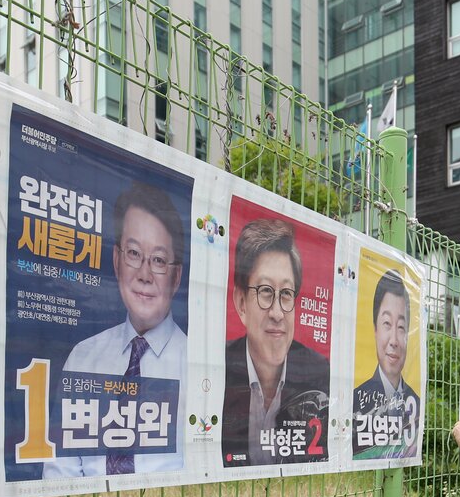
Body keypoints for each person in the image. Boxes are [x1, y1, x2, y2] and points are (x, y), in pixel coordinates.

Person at [46, 182, 188, 478]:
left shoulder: (197, 365)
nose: (145, 275)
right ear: (116, 261)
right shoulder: (83, 357)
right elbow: (60, 468)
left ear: (176, 276)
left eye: (159, 260)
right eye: (134, 254)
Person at [222, 218, 329, 466]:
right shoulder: (217, 369)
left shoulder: (319, 374)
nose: (277, 313)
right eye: (266, 292)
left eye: (286, 294)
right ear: (241, 303)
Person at [352, 270, 420, 458]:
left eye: (401, 327)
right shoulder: (354, 403)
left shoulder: (417, 407)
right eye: (387, 324)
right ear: (375, 328)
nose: (394, 340)